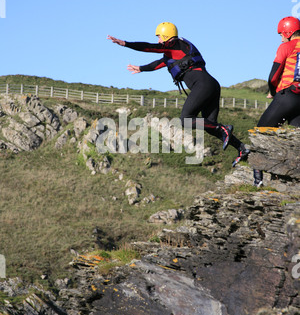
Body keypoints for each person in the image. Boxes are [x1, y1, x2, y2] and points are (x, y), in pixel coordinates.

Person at [108, 22, 249, 167]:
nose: (158, 41)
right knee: (211, 126)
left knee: (185, 120)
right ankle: (241, 148)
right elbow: (157, 63)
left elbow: (150, 47)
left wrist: (125, 43)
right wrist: (141, 68)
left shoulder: (175, 44)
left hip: (203, 86)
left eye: (159, 37)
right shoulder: (175, 52)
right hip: (212, 85)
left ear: (166, 35)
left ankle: (225, 129)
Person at [253, 16, 300, 187]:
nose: (281, 38)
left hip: (287, 96)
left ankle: (257, 181)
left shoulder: (286, 46)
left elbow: (273, 77)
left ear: (289, 32)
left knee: (260, 133)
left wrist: (272, 92)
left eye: (281, 34)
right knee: (296, 142)